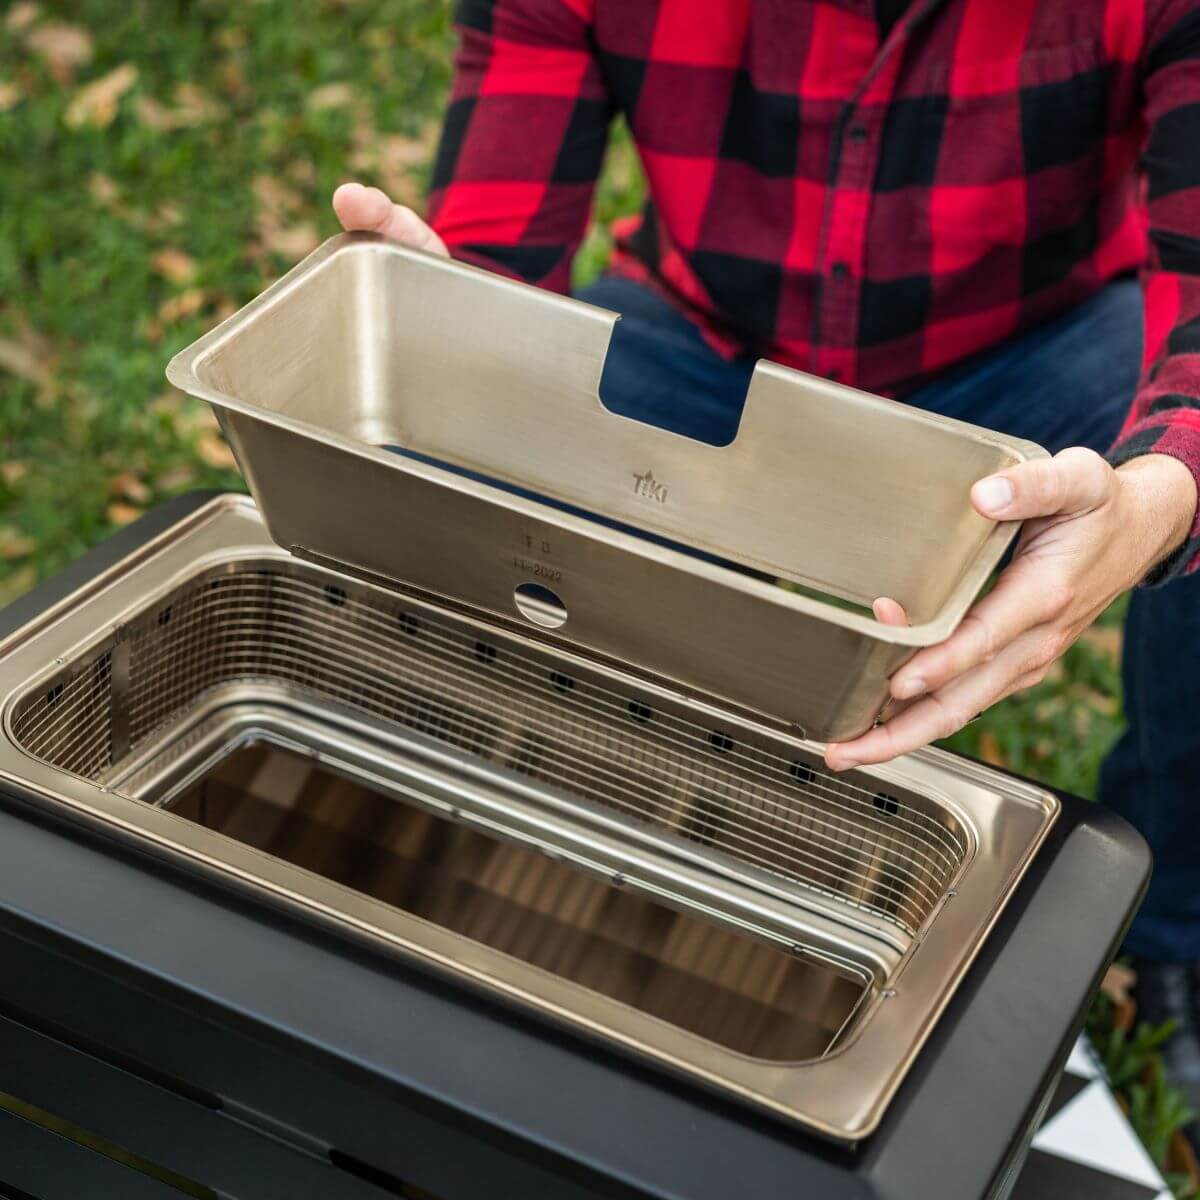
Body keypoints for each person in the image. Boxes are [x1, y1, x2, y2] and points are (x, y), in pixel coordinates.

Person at [333, 0, 1200, 1130]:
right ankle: (464, 872)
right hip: (705, 340)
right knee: (462, 481)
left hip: (1038, 354)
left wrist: (1159, 497)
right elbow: (491, 257)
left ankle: (1174, 927)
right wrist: (441, 322)